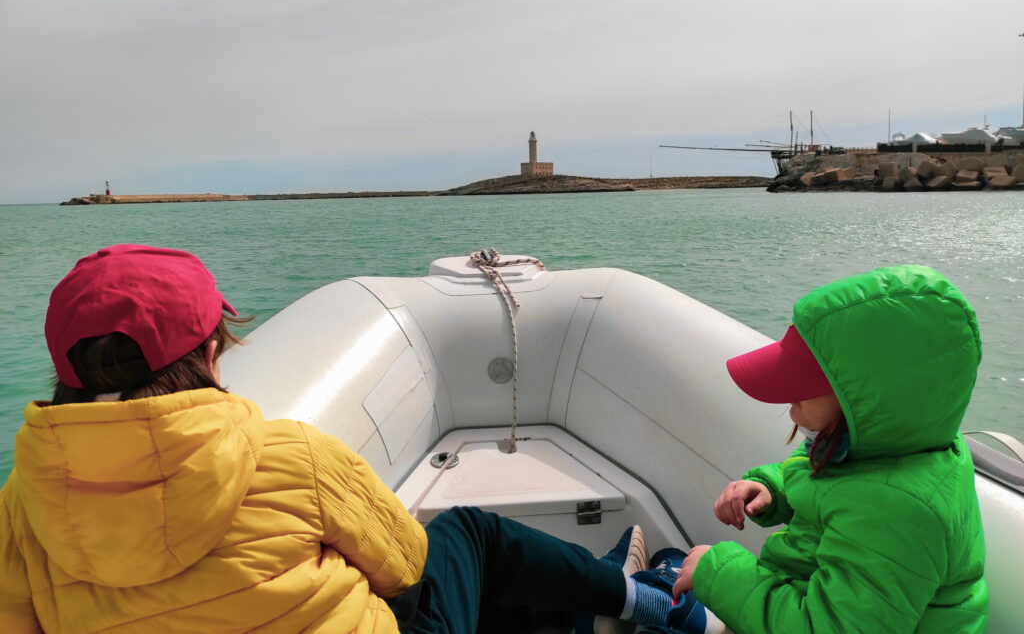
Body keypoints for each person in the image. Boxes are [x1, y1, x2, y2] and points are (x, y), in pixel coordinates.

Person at [0, 244, 703, 634]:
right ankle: (640, 599)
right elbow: (406, 561)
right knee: (466, 539)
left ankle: (596, 595)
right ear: (212, 353)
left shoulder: (23, 506)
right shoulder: (291, 457)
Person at [671, 265, 988, 633]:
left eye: (801, 387)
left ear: (868, 401)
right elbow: (839, 488)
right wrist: (774, 490)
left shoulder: (899, 513)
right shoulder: (897, 447)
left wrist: (720, 573)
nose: (789, 403)